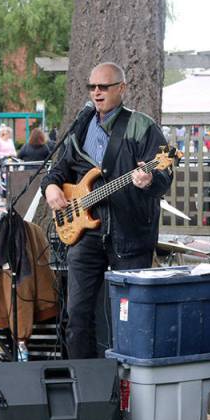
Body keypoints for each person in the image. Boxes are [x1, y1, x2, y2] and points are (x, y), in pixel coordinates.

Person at [42, 62, 172, 359]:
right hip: (84, 234)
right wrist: (50, 187)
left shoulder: (142, 126)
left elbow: (165, 172)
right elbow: (59, 170)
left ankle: (128, 382)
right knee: (77, 315)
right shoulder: (81, 125)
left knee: (128, 315)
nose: (97, 92)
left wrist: (150, 179)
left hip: (129, 234)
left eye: (104, 87)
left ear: (121, 89)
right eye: (92, 87)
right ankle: (84, 383)